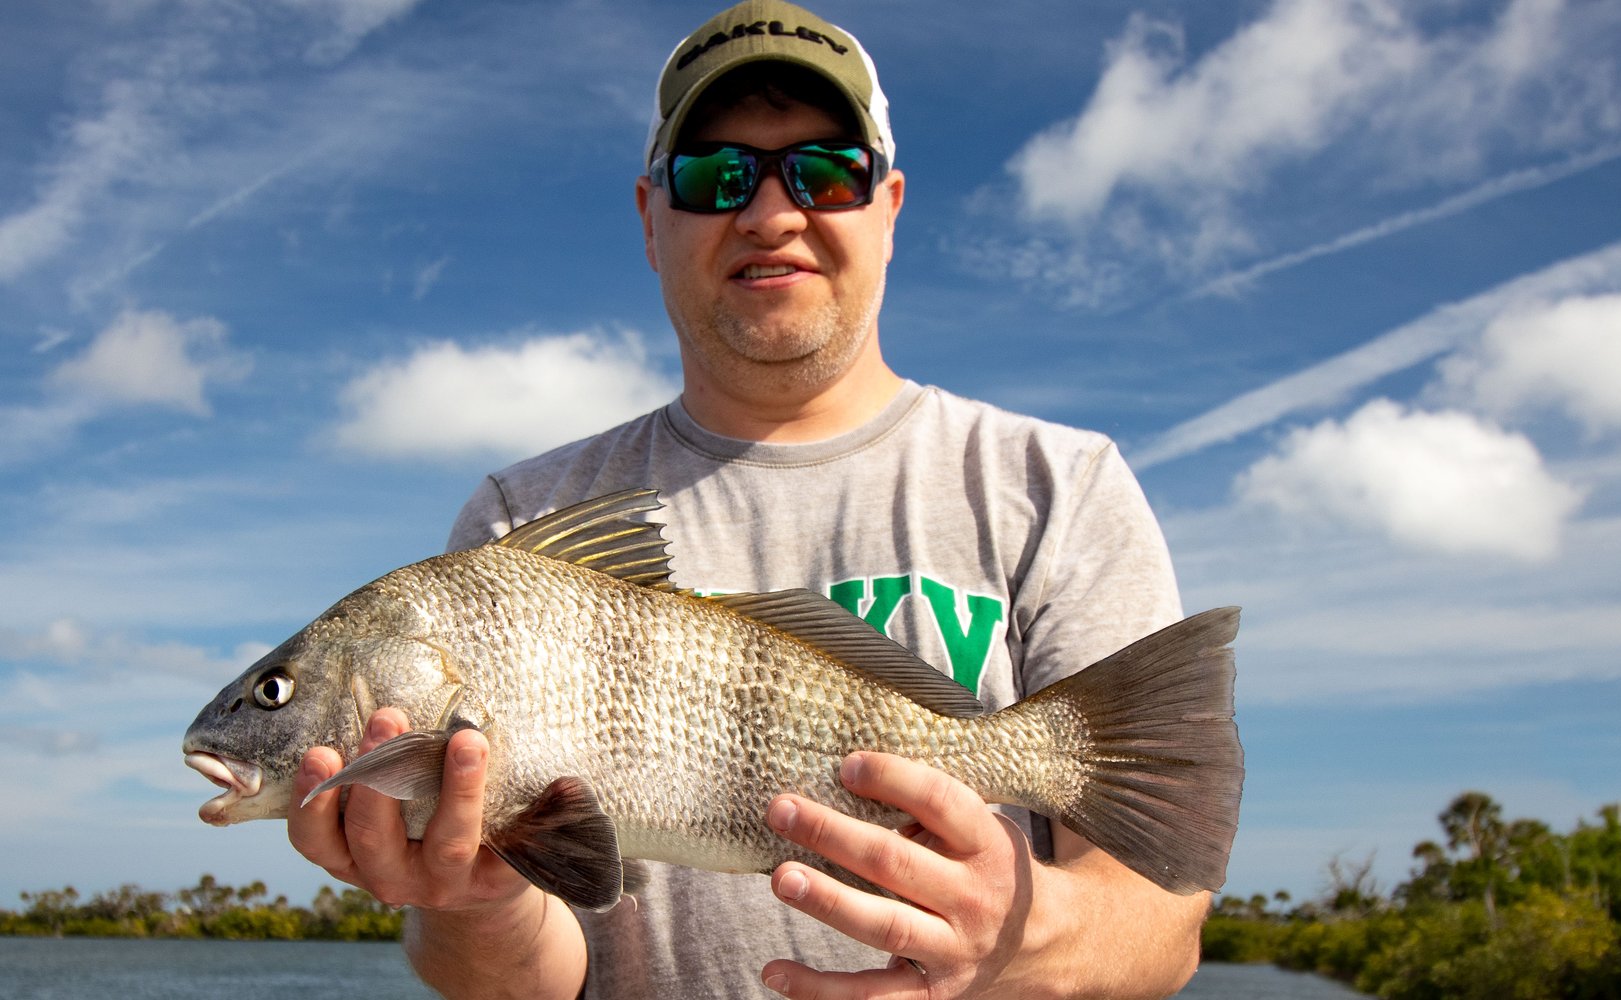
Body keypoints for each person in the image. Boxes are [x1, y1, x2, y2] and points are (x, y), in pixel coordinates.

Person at [287, 2, 1215, 997]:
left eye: (824, 171)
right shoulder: (521, 523)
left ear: (890, 205)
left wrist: (1035, 942)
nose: (771, 212)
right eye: (714, 176)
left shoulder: (1055, 487)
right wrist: (480, 899)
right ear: (651, 217)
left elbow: (1160, 926)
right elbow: (525, 983)